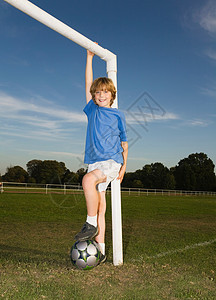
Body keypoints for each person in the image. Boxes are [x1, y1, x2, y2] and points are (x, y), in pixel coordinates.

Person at [75, 46, 128, 263]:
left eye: (105, 91)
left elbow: (124, 143)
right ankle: (102, 250)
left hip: (111, 161)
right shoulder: (92, 111)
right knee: (101, 208)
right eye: (97, 92)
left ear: (112, 95)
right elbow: (88, 83)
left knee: (87, 180)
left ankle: (90, 223)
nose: (100, 94)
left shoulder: (117, 115)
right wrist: (89, 58)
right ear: (94, 97)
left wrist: (124, 167)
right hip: (95, 162)